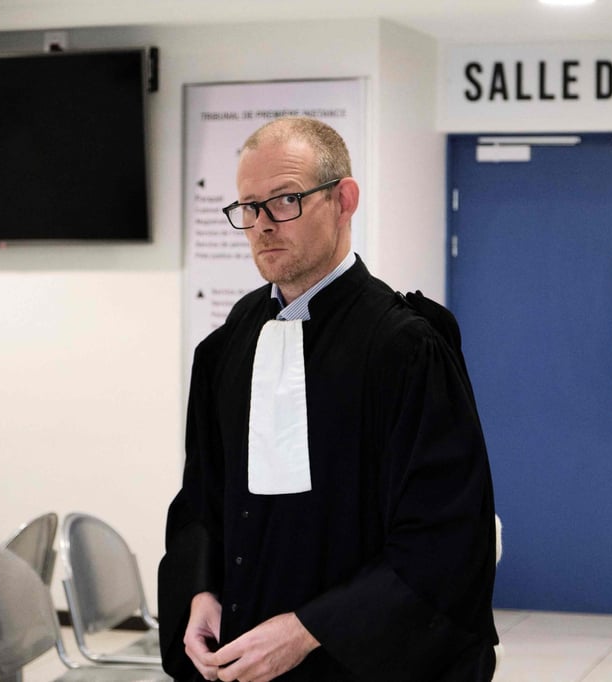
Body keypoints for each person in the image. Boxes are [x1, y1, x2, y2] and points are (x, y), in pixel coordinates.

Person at [158, 116, 498, 682]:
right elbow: (201, 499)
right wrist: (199, 591)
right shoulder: (228, 345)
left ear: (344, 199)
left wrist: (310, 629)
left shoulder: (406, 347)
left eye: (285, 200)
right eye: (249, 207)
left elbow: (445, 536)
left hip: (358, 662)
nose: (263, 225)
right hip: (240, 658)